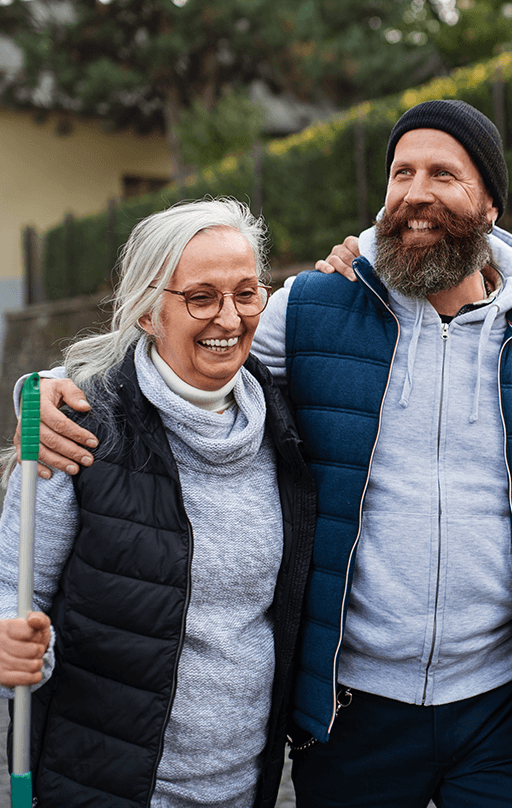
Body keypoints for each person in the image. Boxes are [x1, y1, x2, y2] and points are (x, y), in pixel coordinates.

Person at [11, 99, 512, 807]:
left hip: (496, 703)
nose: (417, 192)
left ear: (491, 202)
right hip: (352, 708)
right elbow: (190, 349)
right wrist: (43, 390)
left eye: (443, 174)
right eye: (402, 172)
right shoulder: (314, 307)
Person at [0, 198, 316, 808]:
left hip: (248, 788)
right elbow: (12, 588)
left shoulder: (284, 423)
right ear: (149, 310)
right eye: (201, 297)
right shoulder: (80, 430)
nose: (229, 318)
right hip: (106, 787)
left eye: (247, 293)